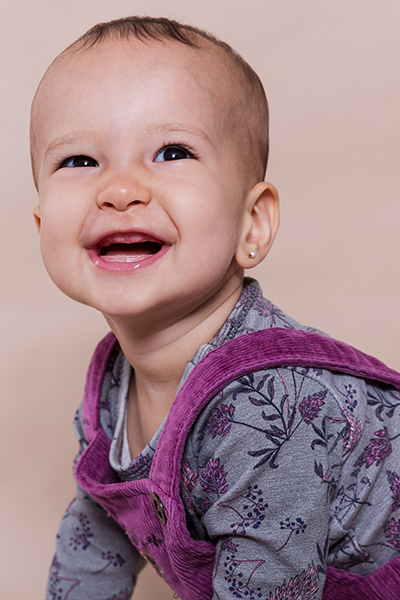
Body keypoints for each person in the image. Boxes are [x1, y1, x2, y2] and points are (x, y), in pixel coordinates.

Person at [31, 16, 400, 600]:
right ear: (41, 227)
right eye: (79, 161)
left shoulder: (264, 409)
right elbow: (94, 541)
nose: (119, 190)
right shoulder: (110, 389)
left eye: (171, 152)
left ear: (251, 224)